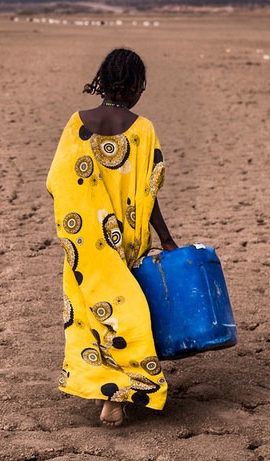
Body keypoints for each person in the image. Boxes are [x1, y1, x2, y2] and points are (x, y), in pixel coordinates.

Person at [46, 48, 178, 427]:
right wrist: (166, 240)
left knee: (91, 316)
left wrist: (86, 217)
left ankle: (105, 388)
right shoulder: (142, 130)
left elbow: (57, 183)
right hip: (125, 245)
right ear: (135, 85)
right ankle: (119, 395)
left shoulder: (77, 124)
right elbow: (148, 193)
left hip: (84, 244)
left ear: (103, 81)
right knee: (129, 314)